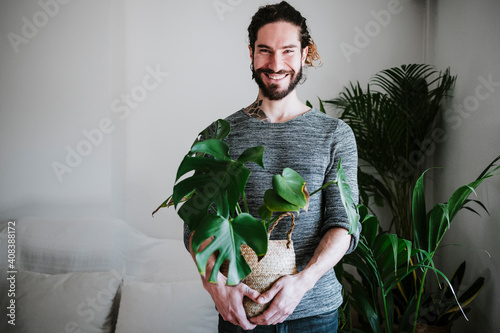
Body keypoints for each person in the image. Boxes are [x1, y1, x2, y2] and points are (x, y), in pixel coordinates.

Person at [184, 2, 360, 332]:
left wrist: (301, 284)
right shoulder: (220, 135)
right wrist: (215, 286)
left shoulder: (335, 135)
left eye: (288, 51)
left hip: (314, 315)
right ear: (251, 53)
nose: (275, 64)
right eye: (265, 51)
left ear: (305, 53)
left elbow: (344, 223)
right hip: (239, 313)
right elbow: (196, 223)